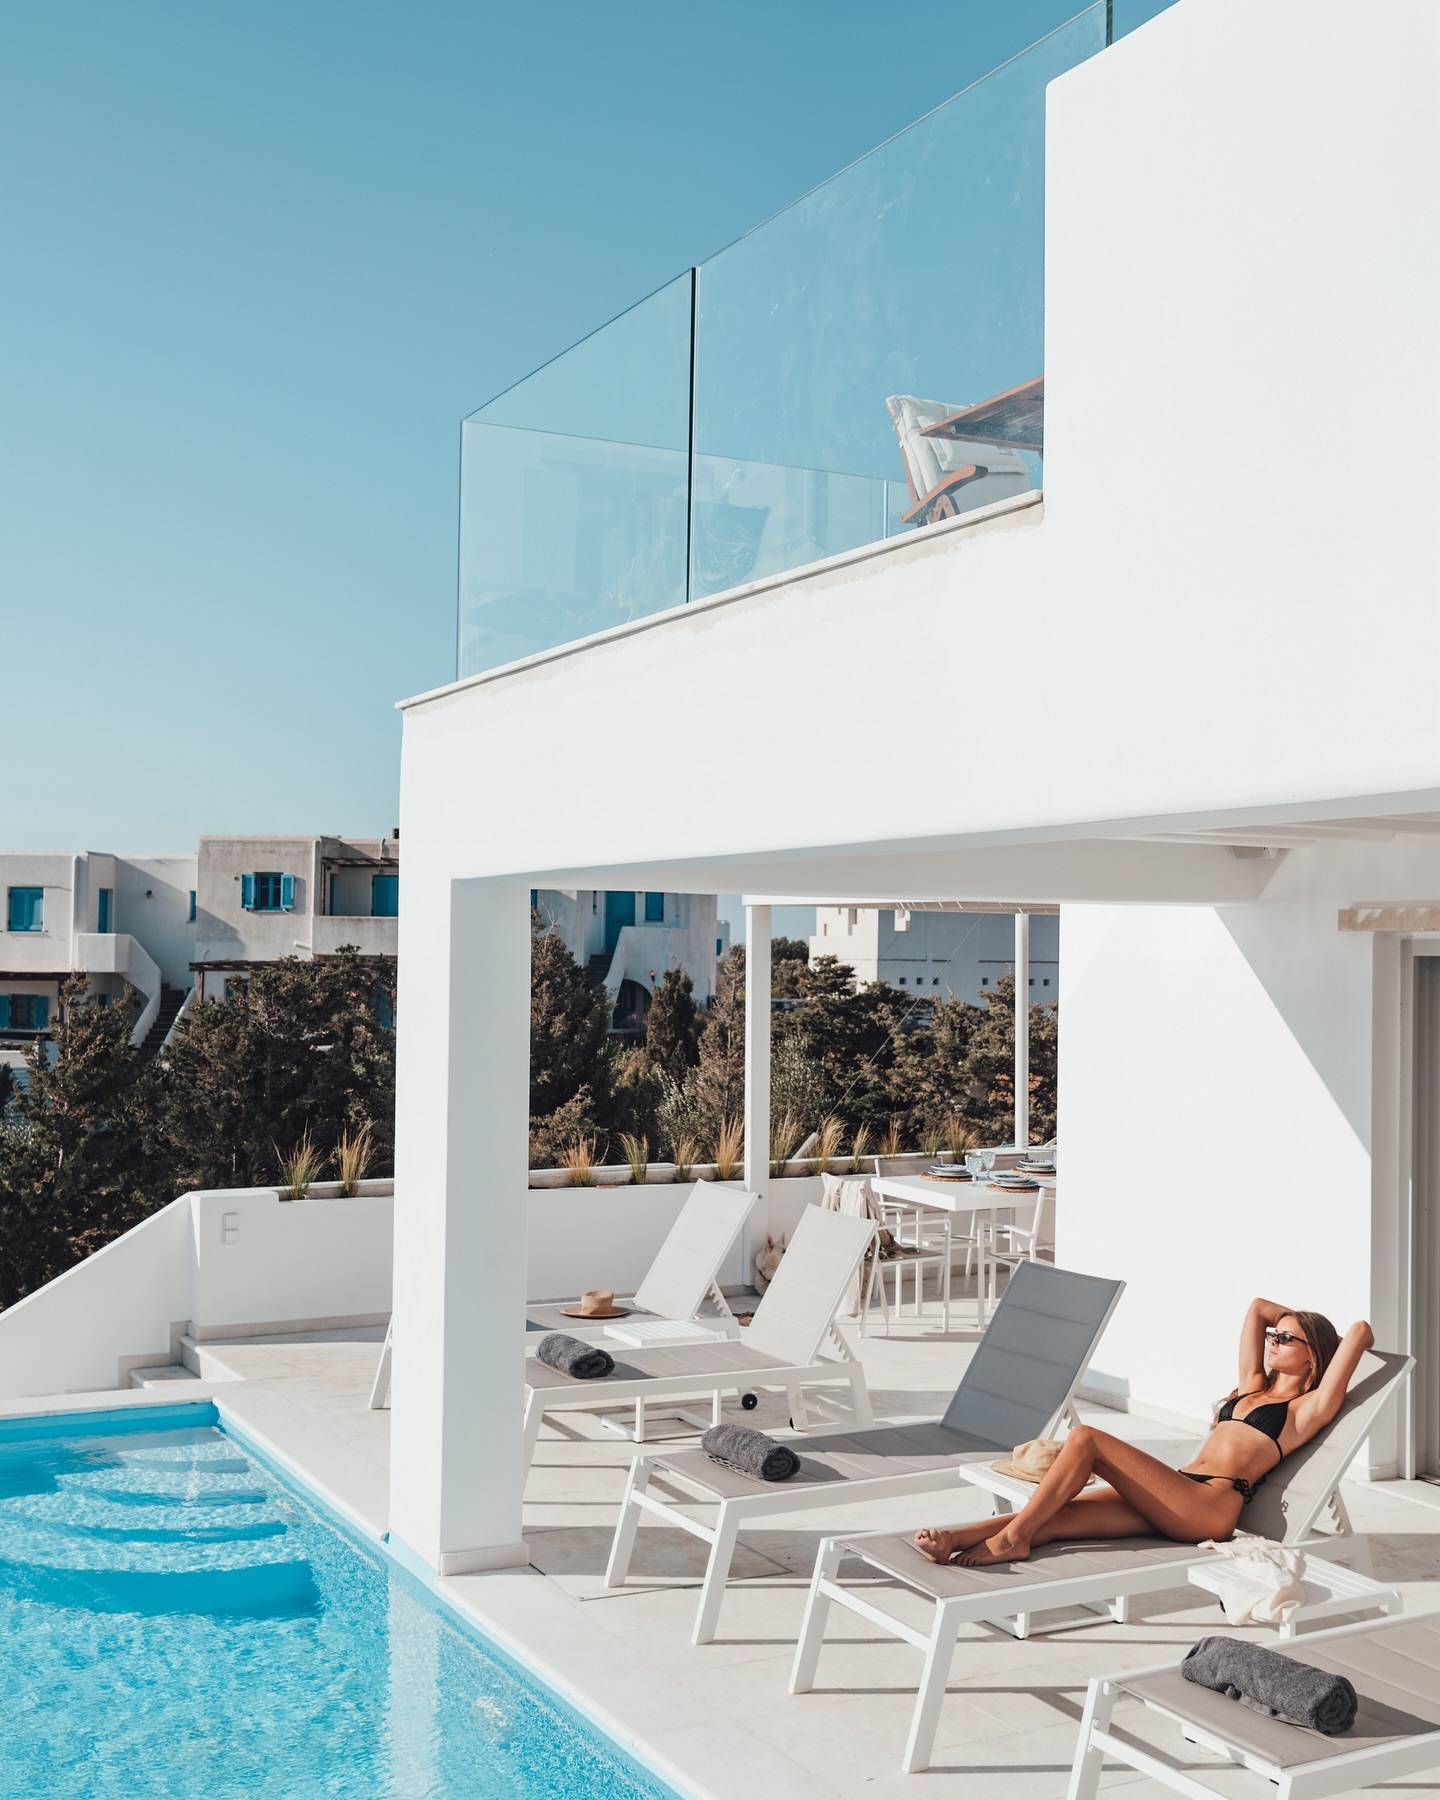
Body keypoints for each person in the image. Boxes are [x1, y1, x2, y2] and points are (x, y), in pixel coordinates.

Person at [915, 1297, 1374, 1567]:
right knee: (1061, 1515)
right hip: (1178, 1490)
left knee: (1088, 1438)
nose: (1273, 1341)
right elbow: (1257, 1309)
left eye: (1286, 1339)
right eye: (1274, 1336)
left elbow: (1360, 1332)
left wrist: (1313, 1331)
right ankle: (958, 1538)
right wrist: (1288, 1326)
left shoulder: (1305, 1409)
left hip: (1209, 1505)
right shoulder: (1252, 1388)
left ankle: (1013, 1540)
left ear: (1313, 1356)